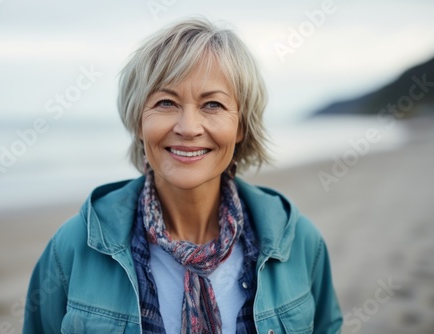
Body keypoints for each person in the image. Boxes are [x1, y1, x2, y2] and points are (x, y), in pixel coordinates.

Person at [23, 17, 343, 334]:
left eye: (213, 105)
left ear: (241, 126)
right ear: (138, 121)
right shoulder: (75, 246)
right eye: (166, 102)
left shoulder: (299, 241)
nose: (188, 128)